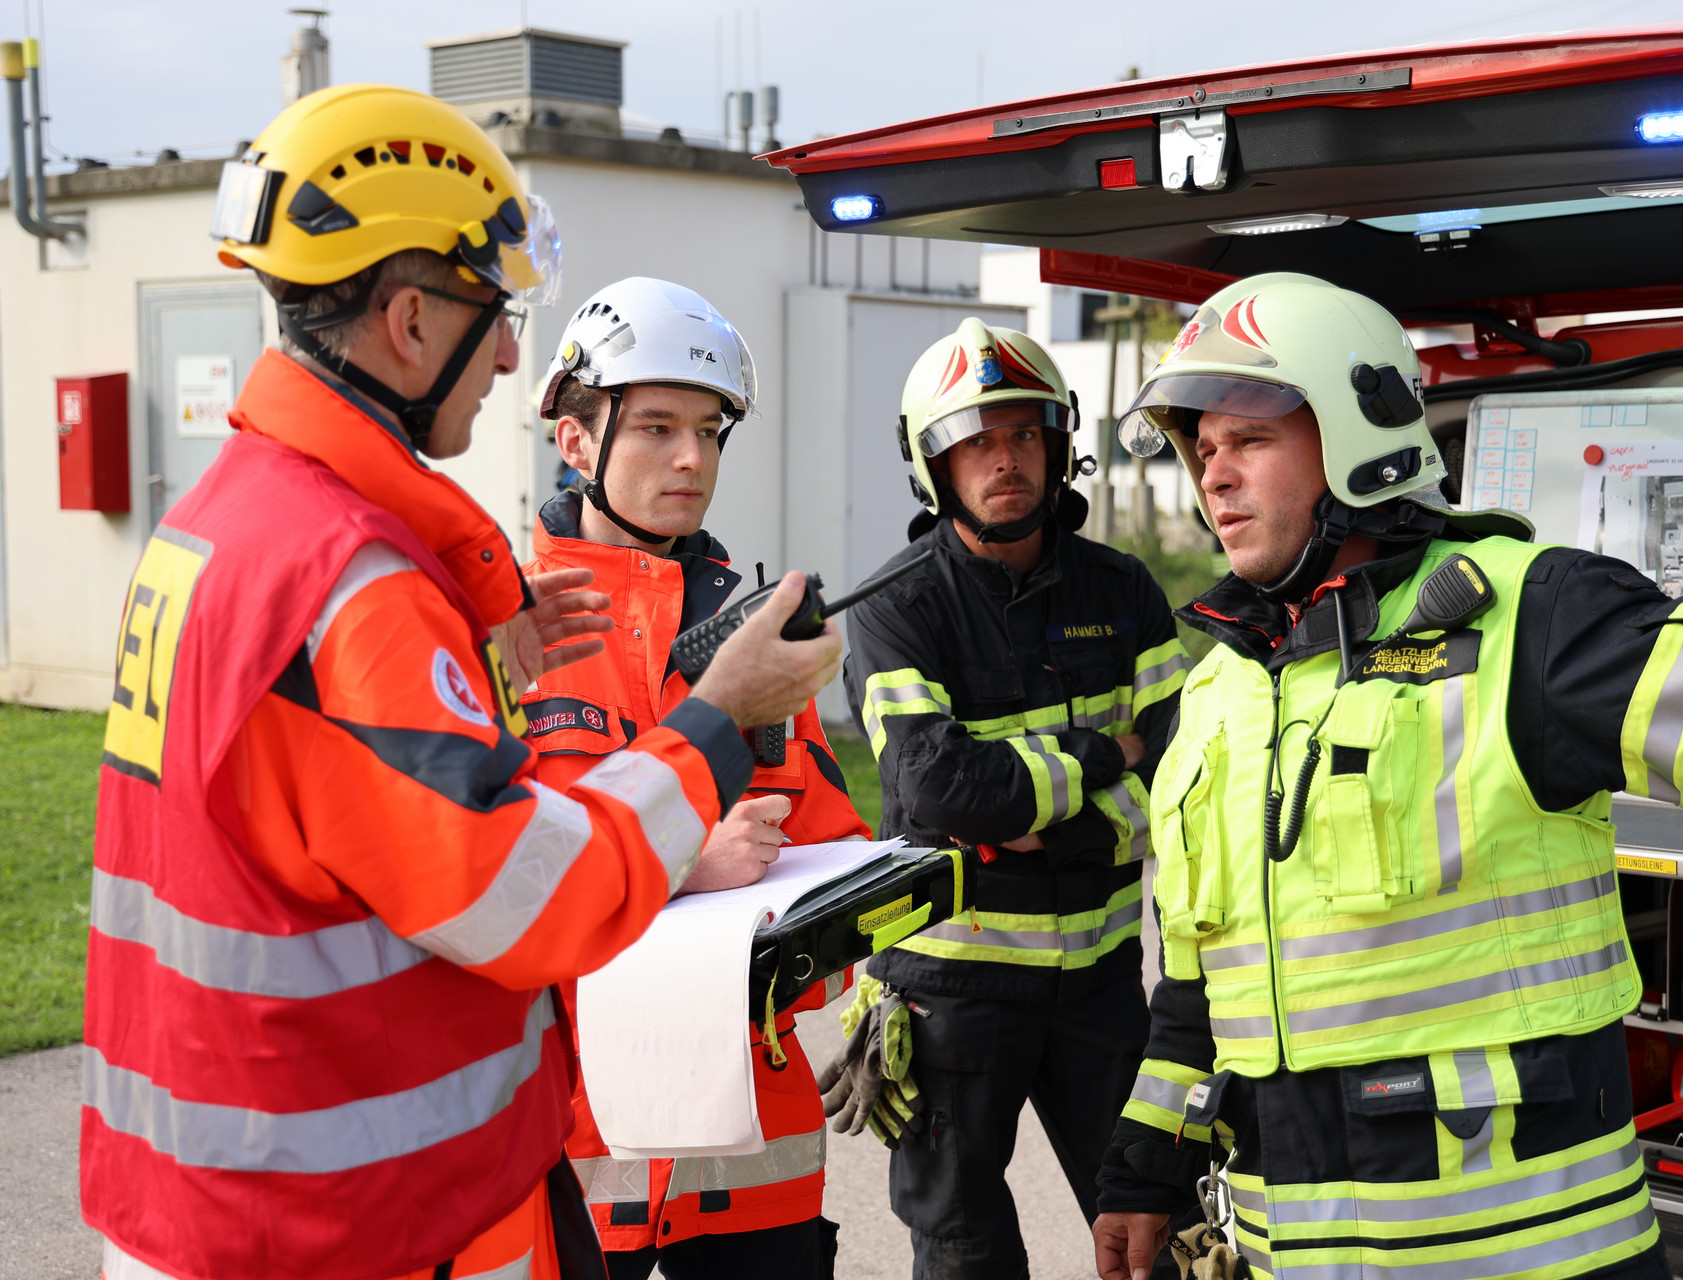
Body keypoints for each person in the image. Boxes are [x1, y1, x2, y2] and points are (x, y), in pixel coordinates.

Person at [83, 86, 840, 1280]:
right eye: (492, 314)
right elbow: (527, 901)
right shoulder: (352, 581)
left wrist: (468, 636)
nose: (504, 355)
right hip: (354, 1220)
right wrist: (714, 723)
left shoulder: (222, 520)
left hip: (228, 1187)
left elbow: (310, 824)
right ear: (408, 319)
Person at [1089, 271, 1683, 1280]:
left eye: (1251, 439)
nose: (1215, 476)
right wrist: (1142, 1169)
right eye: (1202, 448)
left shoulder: (1529, 622)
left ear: (1361, 430)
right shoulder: (1220, 689)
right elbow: (1200, 977)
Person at [522, 277, 870, 1279]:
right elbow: (492, 888)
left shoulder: (753, 641)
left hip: (751, 1164)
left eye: (711, 430)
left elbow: (826, 853)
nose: (692, 458)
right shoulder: (509, 630)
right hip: (580, 1156)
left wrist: (852, 946)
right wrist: (682, 865)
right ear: (577, 441)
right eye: (660, 426)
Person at [840, 319, 1191, 1278]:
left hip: (1104, 989)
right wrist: (1097, 760)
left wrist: (1034, 819)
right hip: (950, 994)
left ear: (1058, 442)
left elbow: (1187, 777)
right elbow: (938, 786)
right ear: (934, 462)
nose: (1006, 460)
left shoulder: (1126, 592)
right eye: (977, 441)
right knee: (964, 1250)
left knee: (1162, 1231)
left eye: (1024, 434)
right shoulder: (893, 607)